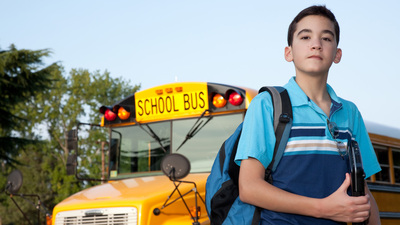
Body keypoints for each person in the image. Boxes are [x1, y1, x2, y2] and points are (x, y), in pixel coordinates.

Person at [235, 5, 381, 225]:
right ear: (289, 52)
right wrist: (324, 209)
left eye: (326, 38)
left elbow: (364, 194)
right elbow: (249, 188)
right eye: (305, 37)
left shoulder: (350, 112)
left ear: (337, 54)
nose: (316, 44)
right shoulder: (267, 105)